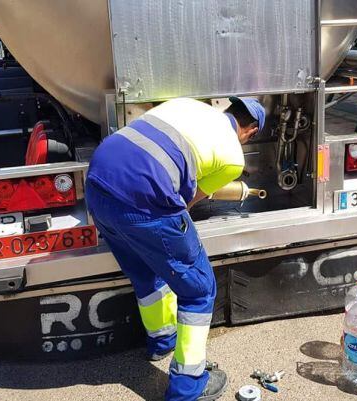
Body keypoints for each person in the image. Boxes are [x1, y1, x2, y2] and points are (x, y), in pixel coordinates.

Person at [85, 96, 266, 401]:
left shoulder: (187, 104)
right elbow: (188, 200)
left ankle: (162, 342)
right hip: (144, 200)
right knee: (199, 289)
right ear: (250, 131)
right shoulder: (234, 157)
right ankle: (188, 386)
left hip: (99, 184)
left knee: (146, 273)